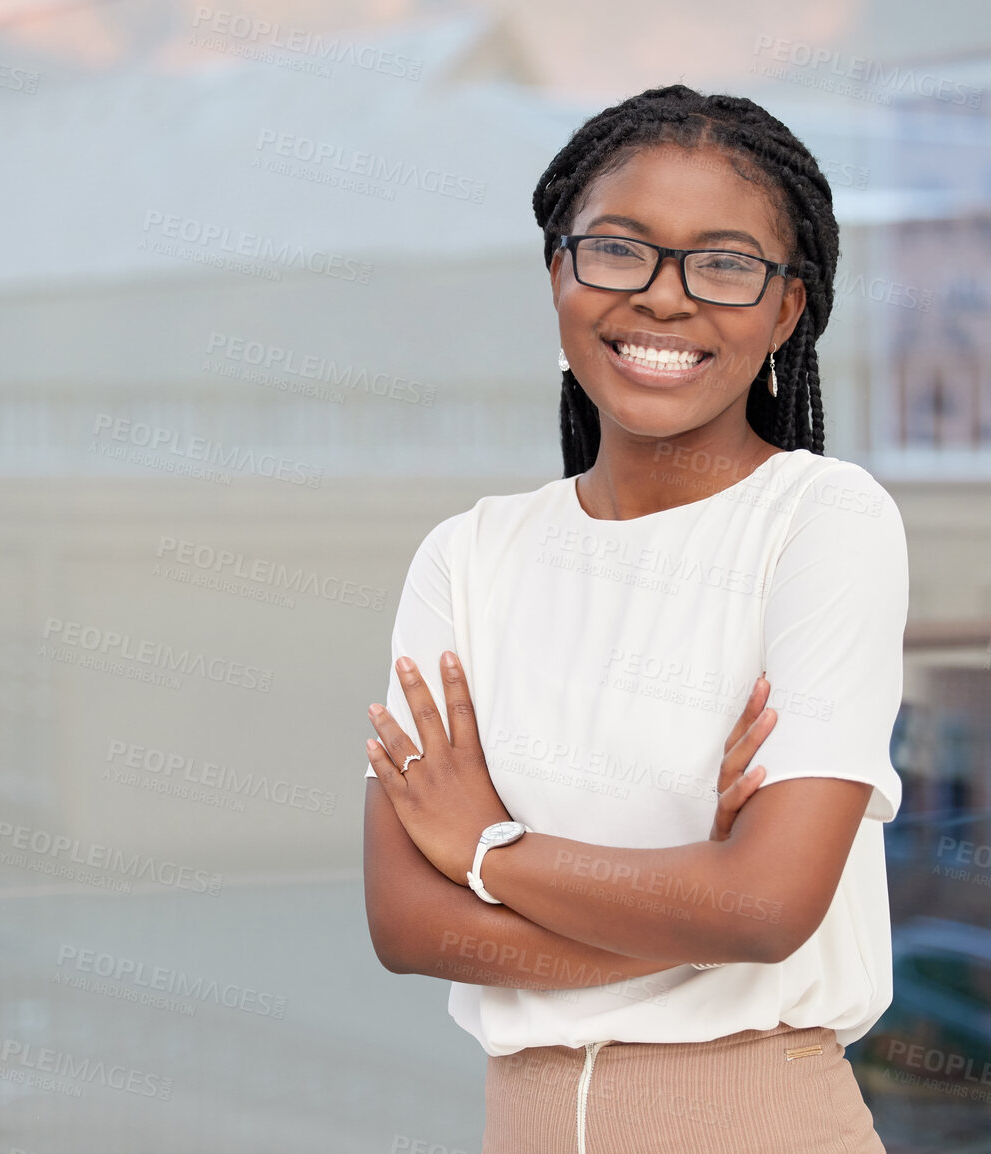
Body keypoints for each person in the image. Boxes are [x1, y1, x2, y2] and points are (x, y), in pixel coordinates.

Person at [362, 84, 908, 1154]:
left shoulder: (822, 522)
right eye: (619, 249)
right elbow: (405, 920)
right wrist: (681, 901)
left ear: (787, 307)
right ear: (559, 272)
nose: (665, 297)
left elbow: (763, 906)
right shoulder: (469, 555)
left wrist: (487, 846)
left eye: (725, 262)